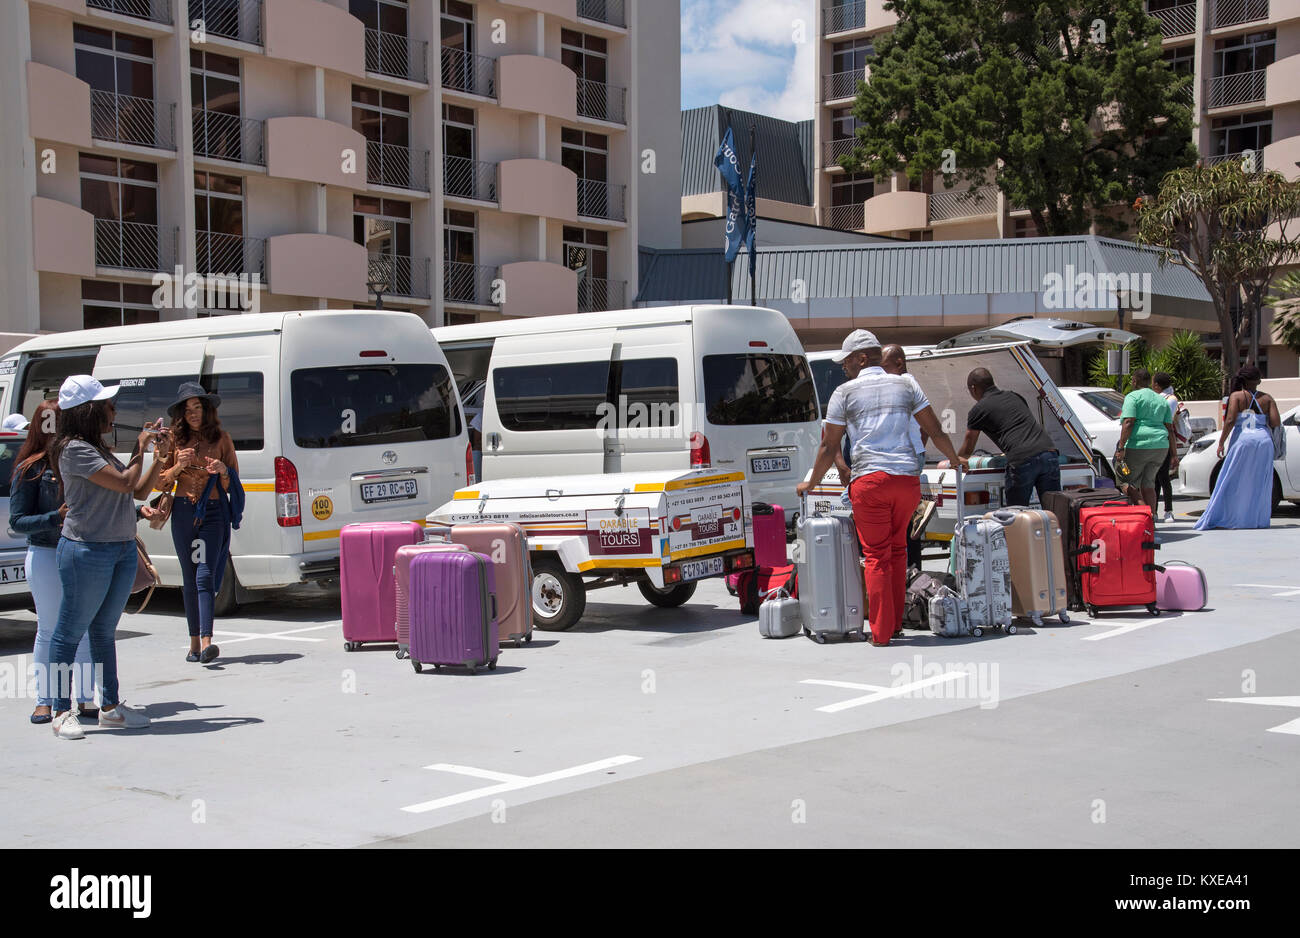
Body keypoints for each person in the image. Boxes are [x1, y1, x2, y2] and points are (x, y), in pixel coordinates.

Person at [797, 330, 964, 646]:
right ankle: (896, 623)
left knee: (875, 556)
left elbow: (828, 445)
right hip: (906, 483)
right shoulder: (907, 384)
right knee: (898, 550)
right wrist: (955, 459)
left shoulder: (844, 392)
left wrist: (812, 483)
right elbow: (935, 429)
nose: (843, 367)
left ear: (861, 358)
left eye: (846, 361)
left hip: (871, 483)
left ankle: (882, 633)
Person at [47, 376, 167, 740]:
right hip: (87, 549)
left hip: (118, 547)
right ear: (89, 411)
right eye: (109, 406)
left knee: (103, 631)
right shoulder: (73, 450)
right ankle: (59, 709)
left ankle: (111, 707)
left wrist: (157, 457)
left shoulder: (98, 450)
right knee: (68, 633)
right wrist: (139, 445)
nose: (114, 411)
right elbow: (126, 483)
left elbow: (140, 488)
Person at [9, 401, 96, 725]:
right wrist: (53, 517)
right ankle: (45, 701)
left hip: (81, 552)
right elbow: (18, 521)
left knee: (85, 628)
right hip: (46, 553)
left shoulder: (80, 461)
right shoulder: (30, 467)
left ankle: (86, 699)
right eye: (53, 423)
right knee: (48, 629)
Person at [157, 382, 241, 664]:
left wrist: (222, 470)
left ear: (207, 410)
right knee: (189, 578)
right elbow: (159, 481)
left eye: (198, 407)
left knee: (204, 574)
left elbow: (233, 483)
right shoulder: (172, 439)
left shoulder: (222, 439)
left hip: (213, 511)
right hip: (182, 512)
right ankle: (193, 643)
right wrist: (178, 465)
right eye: (188, 408)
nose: (194, 413)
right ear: (181, 413)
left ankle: (207, 641)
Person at [958, 368, 1060, 507]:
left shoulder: (978, 410)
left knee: (1017, 514)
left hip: (1023, 459)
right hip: (1049, 453)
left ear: (973, 388)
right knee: (1053, 510)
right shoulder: (1015, 396)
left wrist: (956, 461)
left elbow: (968, 447)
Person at [1195, 366, 1281, 531]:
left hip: (1243, 441)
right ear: (1259, 381)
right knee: (1258, 482)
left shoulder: (1236, 396)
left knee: (1233, 479)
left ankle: (1233, 517)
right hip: (1263, 442)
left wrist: (1221, 442)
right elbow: (1276, 422)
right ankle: (1255, 519)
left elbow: (1230, 420)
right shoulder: (1267, 398)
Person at [882, 345, 929, 568]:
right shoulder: (904, 384)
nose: (881, 372)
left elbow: (929, 424)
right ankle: (910, 568)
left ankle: (910, 569)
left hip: (906, 458)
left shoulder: (906, 383)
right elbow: (925, 427)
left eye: (884, 366)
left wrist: (916, 450)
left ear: (899, 364)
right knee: (904, 518)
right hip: (910, 456)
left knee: (902, 520)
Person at [1116, 369, 1180, 518]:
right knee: (1149, 484)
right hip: (1160, 447)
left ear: (1134, 381)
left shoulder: (1133, 397)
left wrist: (1121, 447)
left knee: (1125, 481)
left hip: (1139, 445)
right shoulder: (1160, 400)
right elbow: (1169, 429)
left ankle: (1145, 514)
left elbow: (1128, 422)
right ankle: (1151, 521)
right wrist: (1174, 454)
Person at [1152, 372, 1186, 523]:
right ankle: (1153, 511)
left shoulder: (1171, 399)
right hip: (1154, 440)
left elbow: (1167, 422)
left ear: (1157, 385)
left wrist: (1174, 453)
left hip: (1164, 439)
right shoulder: (1156, 397)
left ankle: (1168, 511)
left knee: (1164, 477)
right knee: (1154, 479)